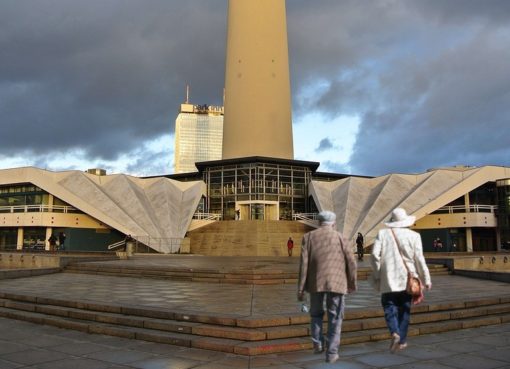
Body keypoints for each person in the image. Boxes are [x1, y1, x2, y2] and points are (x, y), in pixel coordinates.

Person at [298, 210, 357, 364]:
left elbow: (304, 265)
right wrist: (351, 283)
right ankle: (331, 352)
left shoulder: (308, 237)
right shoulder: (341, 237)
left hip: (315, 283)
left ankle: (317, 343)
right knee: (335, 317)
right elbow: (351, 262)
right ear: (334, 223)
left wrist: (301, 288)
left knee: (315, 314)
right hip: (337, 282)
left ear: (319, 222)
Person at [370, 208, 432, 353]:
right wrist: (426, 279)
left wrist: (379, 272)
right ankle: (402, 340)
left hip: (388, 280)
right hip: (408, 280)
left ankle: (394, 332)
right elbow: (419, 259)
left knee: (389, 306)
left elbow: (374, 255)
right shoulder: (414, 236)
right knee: (405, 309)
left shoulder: (383, 234)